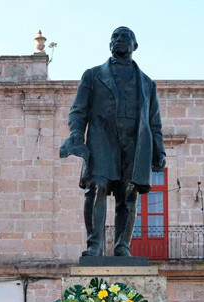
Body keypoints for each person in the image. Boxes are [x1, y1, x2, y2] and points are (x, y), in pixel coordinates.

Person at [60, 25, 166, 257]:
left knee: (128, 193)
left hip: (135, 142)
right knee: (97, 186)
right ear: (109, 45)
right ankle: (95, 244)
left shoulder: (147, 83)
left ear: (134, 46)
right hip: (102, 138)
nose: (118, 40)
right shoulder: (93, 75)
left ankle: (122, 246)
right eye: (114, 37)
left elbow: (154, 121)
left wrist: (159, 150)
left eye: (124, 36)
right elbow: (78, 111)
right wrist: (76, 135)